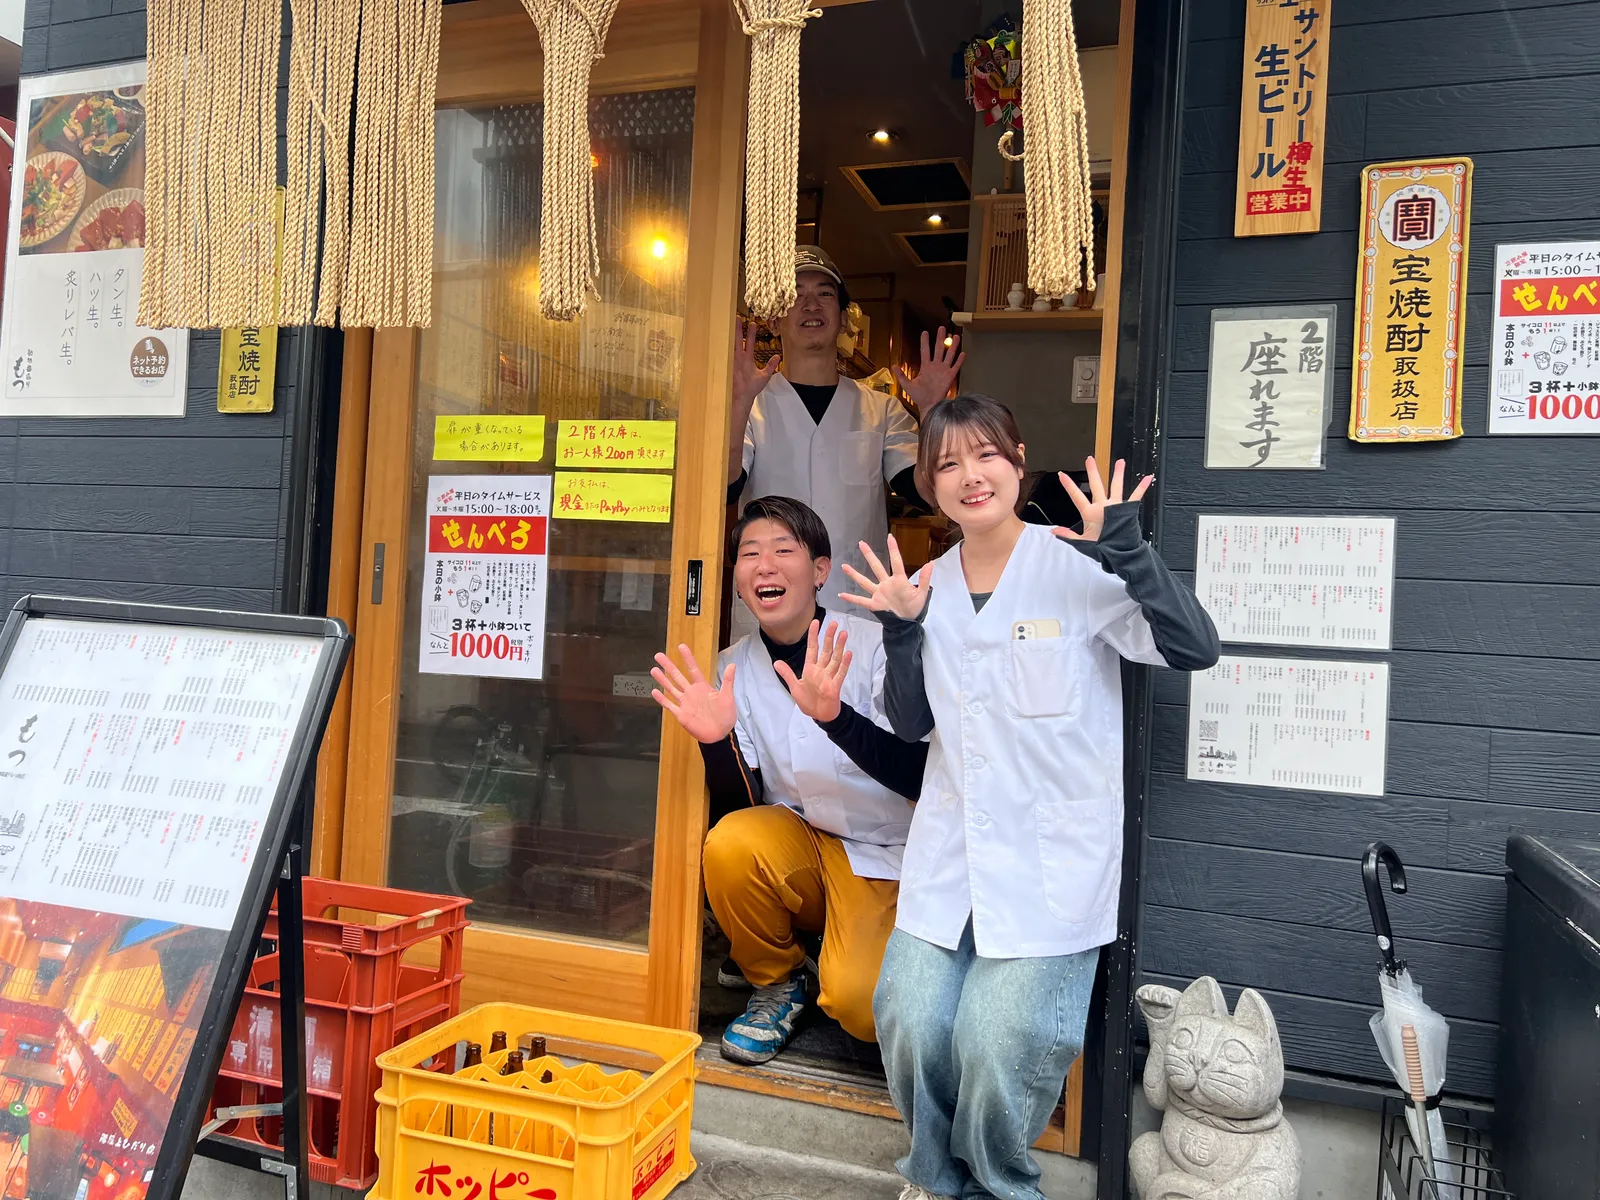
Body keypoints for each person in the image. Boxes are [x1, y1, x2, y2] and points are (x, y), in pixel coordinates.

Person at [839, 394, 1220, 1200]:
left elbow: (1196, 647)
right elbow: (910, 727)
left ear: (1018, 462)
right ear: (928, 484)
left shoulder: (1074, 565)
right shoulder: (927, 585)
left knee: (998, 1038)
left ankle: (1000, 1186)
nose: (969, 476)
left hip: (1054, 863)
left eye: (985, 456)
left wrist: (1130, 551)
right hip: (951, 857)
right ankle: (932, 1179)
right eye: (946, 464)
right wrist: (904, 631)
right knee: (908, 1022)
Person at [651, 496, 929, 1064]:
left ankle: (842, 956)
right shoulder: (734, 665)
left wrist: (836, 719)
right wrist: (716, 742)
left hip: (887, 854)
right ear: (734, 579)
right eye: (750, 554)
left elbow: (920, 773)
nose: (765, 565)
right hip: (804, 845)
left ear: (820, 571)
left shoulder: (874, 647)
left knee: (863, 1008)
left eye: (784, 550)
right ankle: (779, 983)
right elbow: (744, 808)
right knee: (731, 843)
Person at [727, 246, 964, 638]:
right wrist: (737, 407)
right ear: (776, 318)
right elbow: (726, 487)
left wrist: (933, 412)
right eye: (795, 295)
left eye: (824, 293)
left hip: (855, 609)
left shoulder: (882, 410)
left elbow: (927, 492)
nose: (810, 304)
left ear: (843, 318)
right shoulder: (752, 406)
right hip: (768, 604)